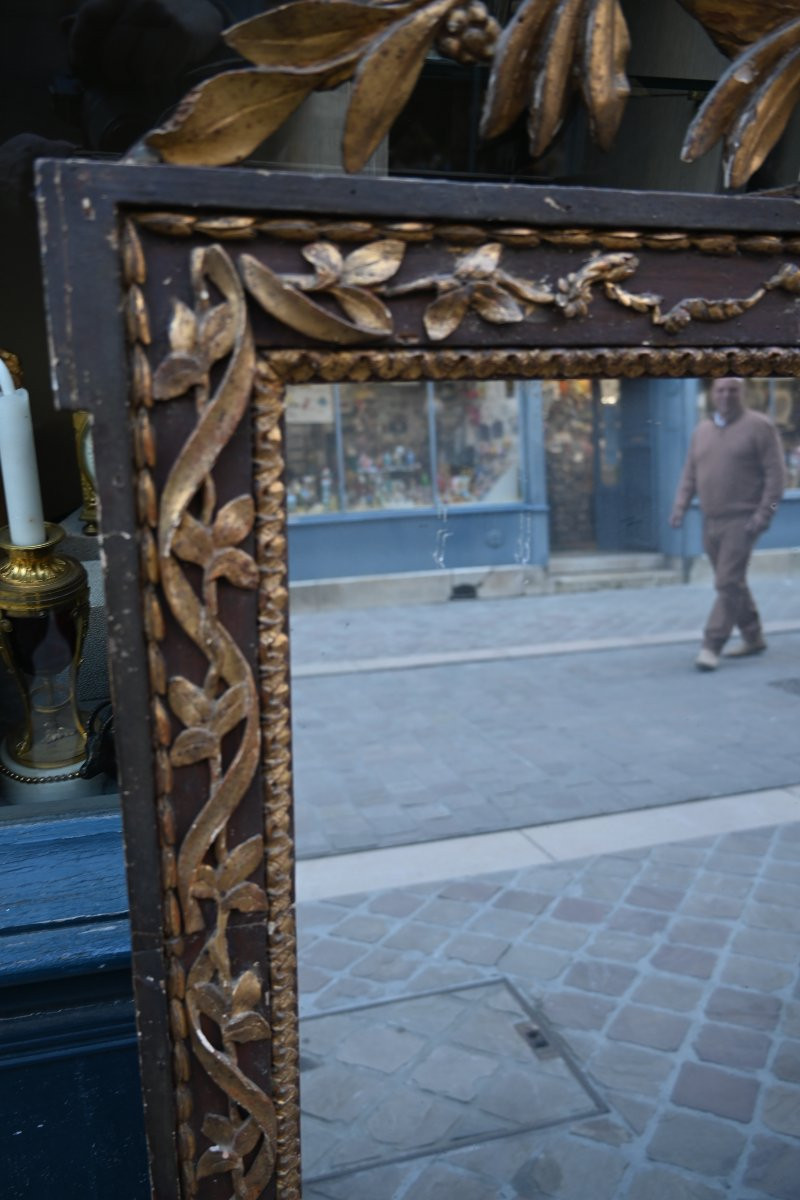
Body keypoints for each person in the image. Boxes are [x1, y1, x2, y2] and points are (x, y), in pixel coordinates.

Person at [670, 377, 785, 671]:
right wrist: (680, 507)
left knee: (726, 581)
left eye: (733, 389)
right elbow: (689, 474)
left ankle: (711, 644)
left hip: (743, 520)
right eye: (720, 389)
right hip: (711, 520)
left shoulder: (760, 426)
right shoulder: (702, 431)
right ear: (712, 393)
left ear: (743, 392)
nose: (726, 395)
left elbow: (777, 479)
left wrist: (764, 515)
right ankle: (753, 636)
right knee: (733, 583)